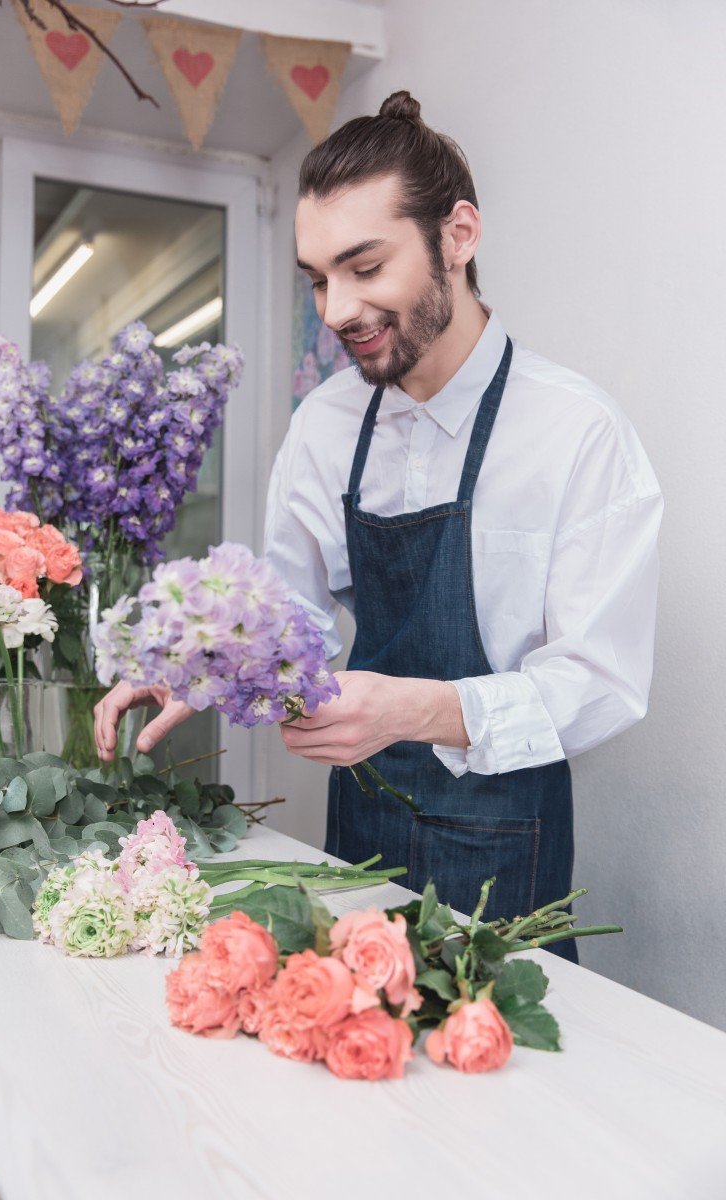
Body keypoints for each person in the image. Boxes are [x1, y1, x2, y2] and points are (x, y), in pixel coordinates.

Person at [95, 91, 662, 962]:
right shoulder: (326, 422)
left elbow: (601, 680)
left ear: (459, 235)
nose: (334, 310)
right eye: (319, 278)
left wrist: (416, 709)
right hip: (355, 840)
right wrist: (202, 666)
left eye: (364, 266)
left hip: (506, 853)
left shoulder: (575, 432)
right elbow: (292, 610)